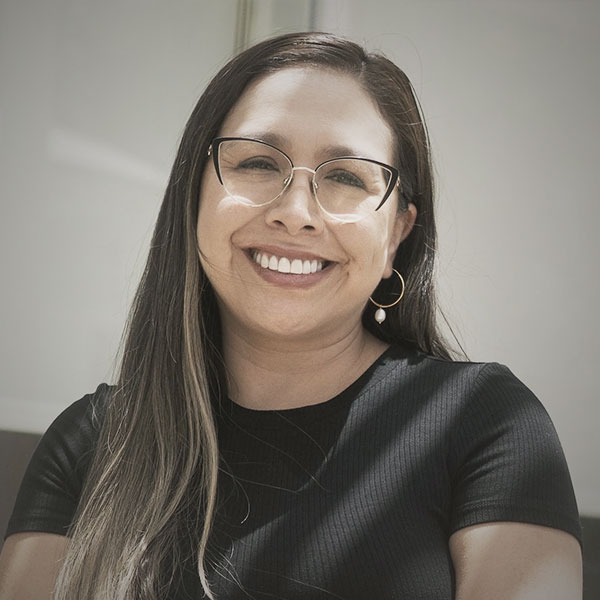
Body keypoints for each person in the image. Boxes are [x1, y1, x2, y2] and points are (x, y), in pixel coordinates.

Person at [0, 32, 582, 600]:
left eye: (346, 176)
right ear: (193, 195)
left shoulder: (486, 426)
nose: (296, 212)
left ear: (397, 234)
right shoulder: (91, 445)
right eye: (257, 162)